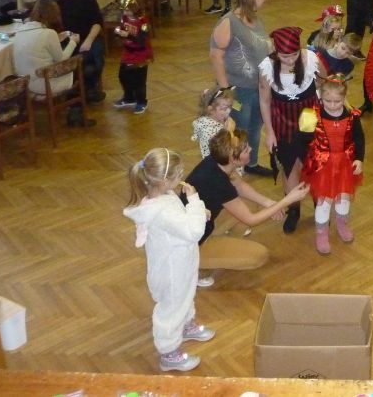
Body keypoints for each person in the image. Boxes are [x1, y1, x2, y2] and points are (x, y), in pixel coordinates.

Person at [123, 148, 212, 372]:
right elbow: (193, 232)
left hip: (181, 264)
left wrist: (198, 213)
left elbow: (181, 222)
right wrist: (195, 202)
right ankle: (168, 352)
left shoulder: (165, 196)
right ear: (164, 180)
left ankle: (186, 325)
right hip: (172, 272)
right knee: (172, 309)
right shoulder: (160, 210)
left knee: (185, 297)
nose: (183, 175)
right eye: (178, 173)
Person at [185, 129, 310, 286]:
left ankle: (221, 246)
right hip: (190, 245)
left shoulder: (216, 161)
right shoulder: (218, 182)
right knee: (259, 255)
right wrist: (287, 200)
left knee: (250, 204)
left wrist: (268, 203)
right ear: (233, 158)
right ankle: (197, 266)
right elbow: (251, 220)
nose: (250, 149)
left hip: (200, 224)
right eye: (245, 150)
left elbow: (239, 185)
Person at [260, 26, 321, 233]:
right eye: (285, 56)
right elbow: (264, 100)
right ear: (276, 52)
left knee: (315, 165)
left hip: (310, 121)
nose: (291, 60)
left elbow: (327, 84)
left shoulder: (311, 59)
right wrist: (269, 132)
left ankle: (320, 207)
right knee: (289, 167)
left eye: (294, 54)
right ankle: (293, 210)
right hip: (282, 123)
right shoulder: (267, 67)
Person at [210, 0, 272, 177]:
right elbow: (216, 55)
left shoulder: (256, 20)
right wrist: (225, 91)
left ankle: (250, 163)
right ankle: (233, 170)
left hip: (258, 87)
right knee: (237, 130)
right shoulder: (229, 22)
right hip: (238, 89)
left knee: (254, 127)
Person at [299, 74, 365, 255]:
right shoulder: (312, 115)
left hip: (345, 163)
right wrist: (308, 159)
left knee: (343, 197)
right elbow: (303, 141)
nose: (333, 105)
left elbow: (359, 138)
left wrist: (359, 159)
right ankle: (321, 233)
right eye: (328, 101)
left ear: (344, 97)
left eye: (338, 101)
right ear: (320, 96)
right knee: (324, 201)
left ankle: (342, 224)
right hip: (322, 165)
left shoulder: (352, 115)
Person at [38, 0, 105, 103]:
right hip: (59, 41)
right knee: (78, 63)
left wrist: (89, 40)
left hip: (85, 38)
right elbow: (36, 20)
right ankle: (78, 93)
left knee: (95, 58)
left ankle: (86, 89)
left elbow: (97, 23)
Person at [12, 0, 78, 96]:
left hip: (26, 84)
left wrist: (57, 38)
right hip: (45, 85)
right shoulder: (49, 33)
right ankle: (75, 101)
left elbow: (39, 44)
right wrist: (73, 42)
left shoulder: (20, 30)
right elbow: (61, 59)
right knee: (80, 68)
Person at [113, 0, 153, 114]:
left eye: (128, 10)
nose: (125, 13)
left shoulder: (143, 22)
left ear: (136, 8)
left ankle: (141, 101)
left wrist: (128, 35)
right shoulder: (124, 18)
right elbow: (122, 28)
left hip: (141, 54)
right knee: (123, 76)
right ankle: (129, 97)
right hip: (127, 52)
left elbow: (142, 40)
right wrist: (118, 31)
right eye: (124, 10)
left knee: (139, 80)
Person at [192, 87, 235, 159]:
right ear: (210, 109)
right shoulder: (208, 129)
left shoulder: (220, 119)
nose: (229, 111)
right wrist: (229, 132)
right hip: (215, 161)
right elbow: (224, 150)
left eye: (230, 106)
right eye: (224, 108)